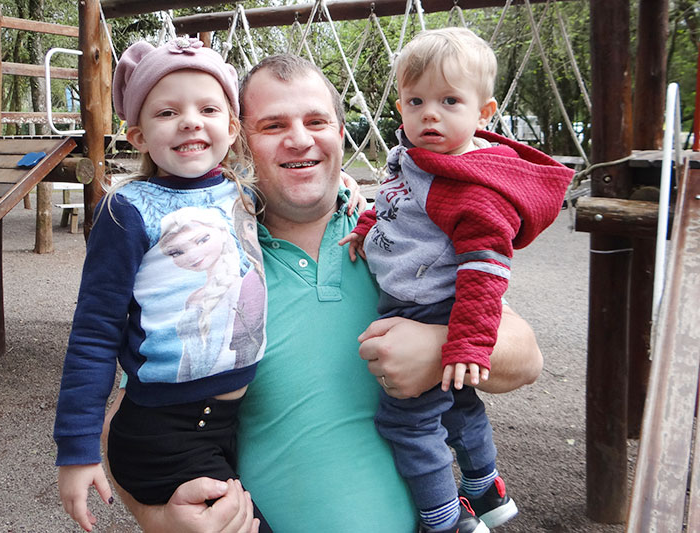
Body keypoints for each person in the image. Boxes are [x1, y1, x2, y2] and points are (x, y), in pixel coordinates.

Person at [100, 53, 546, 533]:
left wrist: (439, 349)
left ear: (339, 133)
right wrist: (159, 518)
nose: (299, 139)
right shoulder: (213, 259)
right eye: (273, 125)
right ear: (240, 140)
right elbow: (126, 419)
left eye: (317, 122)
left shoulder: (402, 237)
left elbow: (526, 358)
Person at [339, 28, 573, 533]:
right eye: (416, 101)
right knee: (457, 401)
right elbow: (394, 201)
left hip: (436, 305)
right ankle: (486, 487)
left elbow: (485, 272)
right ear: (400, 106)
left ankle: (444, 519)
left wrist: (464, 343)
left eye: (449, 101)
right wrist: (365, 226)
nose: (430, 114)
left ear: (483, 113)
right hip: (413, 295)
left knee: (406, 421)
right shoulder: (414, 153)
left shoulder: (472, 189)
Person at [53, 37, 272, 532]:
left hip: (229, 425)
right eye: (168, 112)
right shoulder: (127, 211)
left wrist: (345, 189)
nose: (190, 121)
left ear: (231, 127)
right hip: (164, 433)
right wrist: (77, 448)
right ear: (138, 135)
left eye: (207, 109)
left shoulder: (242, 193)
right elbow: (93, 332)